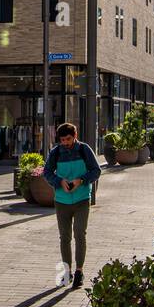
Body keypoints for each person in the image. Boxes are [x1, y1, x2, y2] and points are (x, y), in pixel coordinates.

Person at [43, 122, 102, 291]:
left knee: (79, 234)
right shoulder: (55, 152)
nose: (65, 143)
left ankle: (79, 272)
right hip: (61, 200)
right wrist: (59, 181)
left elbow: (96, 171)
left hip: (82, 199)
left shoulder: (84, 150)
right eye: (62, 140)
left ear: (75, 136)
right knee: (64, 237)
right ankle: (66, 272)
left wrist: (81, 180)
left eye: (68, 139)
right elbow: (47, 172)